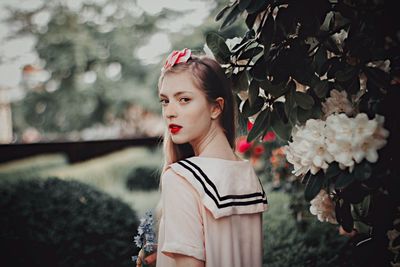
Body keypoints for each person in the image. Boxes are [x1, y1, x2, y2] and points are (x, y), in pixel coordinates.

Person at [154, 48, 268, 267]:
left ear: (216, 107)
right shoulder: (246, 175)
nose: (169, 112)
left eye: (184, 99)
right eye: (165, 101)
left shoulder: (182, 179)